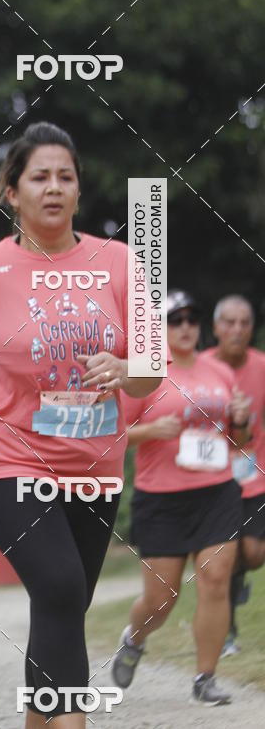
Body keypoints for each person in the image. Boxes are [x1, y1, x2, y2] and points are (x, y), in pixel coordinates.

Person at [0, 122, 161, 727]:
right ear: (11, 191)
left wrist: (126, 367)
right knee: (60, 591)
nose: (54, 187)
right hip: (10, 464)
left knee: (62, 609)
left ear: (78, 191)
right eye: (39, 176)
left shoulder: (121, 263)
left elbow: (153, 371)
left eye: (65, 177)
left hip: (96, 472)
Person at [112, 290, 250, 706]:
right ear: (159, 328)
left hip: (216, 492)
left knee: (215, 579)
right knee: (162, 598)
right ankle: (135, 638)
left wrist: (241, 420)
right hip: (162, 499)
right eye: (176, 320)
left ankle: (205, 678)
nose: (186, 327)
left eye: (192, 319)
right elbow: (110, 436)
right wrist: (150, 432)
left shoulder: (220, 372)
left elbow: (236, 440)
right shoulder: (143, 374)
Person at [201, 295, 265, 655]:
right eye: (229, 322)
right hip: (213, 477)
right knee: (220, 559)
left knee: (254, 553)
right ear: (215, 328)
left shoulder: (261, 365)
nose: (237, 330)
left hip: (255, 474)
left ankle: (238, 579)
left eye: (244, 323)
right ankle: (227, 632)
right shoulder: (200, 366)